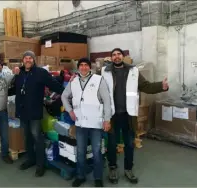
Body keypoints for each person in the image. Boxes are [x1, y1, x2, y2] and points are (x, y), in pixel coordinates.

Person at [102, 48, 169, 184]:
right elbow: (94, 85)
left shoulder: (134, 71)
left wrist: (161, 86)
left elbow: (146, 86)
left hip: (129, 115)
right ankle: (113, 168)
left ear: (123, 56)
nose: (116, 57)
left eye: (118, 54)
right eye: (113, 55)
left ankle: (128, 169)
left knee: (129, 144)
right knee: (112, 144)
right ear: (111, 58)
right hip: (112, 115)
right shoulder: (104, 71)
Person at [8, 51, 64, 177]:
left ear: (34, 60)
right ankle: (31, 159)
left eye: (30, 58)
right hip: (22, 111)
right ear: (23, 60)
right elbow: (13, 89)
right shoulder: (19, 73)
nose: (28, 60)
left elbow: (55, 85)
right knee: (27, 137)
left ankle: (40, 164)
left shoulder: (41, 73)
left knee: (37, 137)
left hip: (34, 111)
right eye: (25, 58)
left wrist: (67, 93)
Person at [61, 58, 112, 187]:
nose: (83, 67)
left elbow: (107, 101)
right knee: (81, 151)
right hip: (80, 123)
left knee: (96, 151)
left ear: (90, 67)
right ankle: (80, 176)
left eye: (86, 65)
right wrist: (70, 111)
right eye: (81, 65)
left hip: (96, 123)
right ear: (78, 68)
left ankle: (98, 178)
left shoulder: (98, 80)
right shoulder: (73, 81)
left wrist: (107, 119)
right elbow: (64, 96)